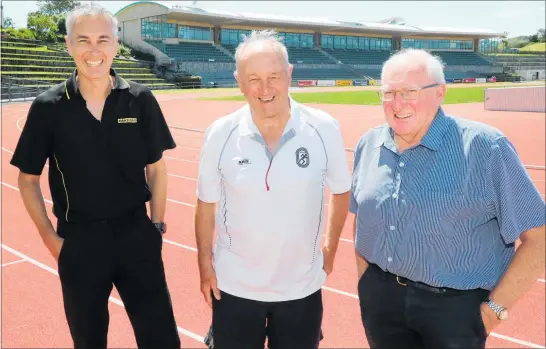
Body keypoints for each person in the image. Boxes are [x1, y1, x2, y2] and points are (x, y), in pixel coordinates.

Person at [10, 4, 181, 349]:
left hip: (137, 236)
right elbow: (27, 179)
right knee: (88, 341)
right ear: (69, 44)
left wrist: (156, 226)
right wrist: (50, 240)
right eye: (83, 40)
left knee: (162, 340)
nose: (94, 50)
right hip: (79, 242)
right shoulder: (48, 107)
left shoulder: (140, 99)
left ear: (116, 44)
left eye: (103, 39)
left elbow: (157, 168)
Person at [350, 48, 545, 349]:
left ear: (440, 93)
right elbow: (362, 217)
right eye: (388, 93)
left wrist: (493, 312)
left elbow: (539, 238)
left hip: (454, 311)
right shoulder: (369, 143)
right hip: (381, 303)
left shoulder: (485, 147)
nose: (397, 104)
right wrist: (367, 280)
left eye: (410, 92)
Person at [195, 29, 351, 349]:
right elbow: (205, 204)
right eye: (253, 78)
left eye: (274, 76)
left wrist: (330, 249)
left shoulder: (323, 128)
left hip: (301, 290)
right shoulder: (220, 134)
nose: (264, 89)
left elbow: (341, 190)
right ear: (239, 80)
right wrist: (204, 264)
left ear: (289, 74)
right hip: (235, 289)